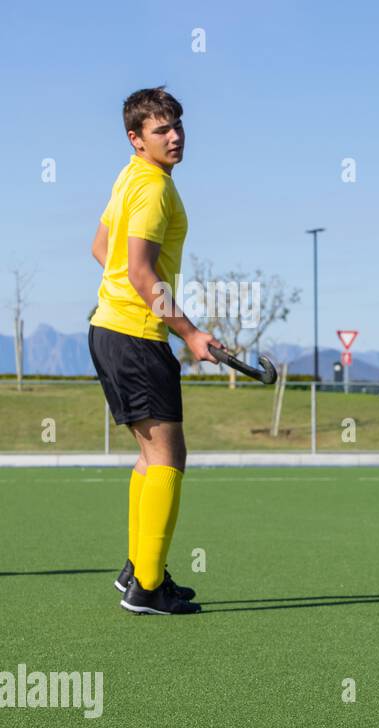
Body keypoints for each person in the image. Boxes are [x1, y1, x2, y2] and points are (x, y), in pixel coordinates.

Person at [89, 87, 223, 615]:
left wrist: (125, 292)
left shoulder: (131, 175)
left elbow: (101, 248)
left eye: (177, 125)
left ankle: (139, 570)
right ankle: (148, 588)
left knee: (149, 457)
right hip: (137, 336)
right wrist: (190, 333)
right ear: (136, 138)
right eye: (161, 130)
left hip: (111, 329)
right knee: (169, 456)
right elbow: (141, 271)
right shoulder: (154, 189)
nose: (174, 136)